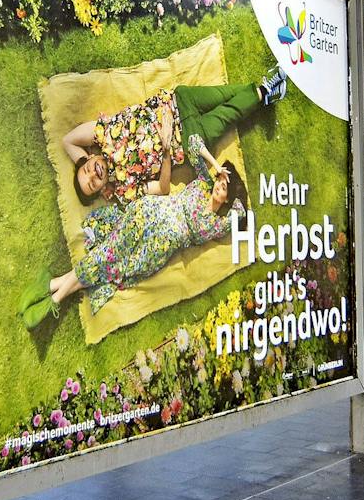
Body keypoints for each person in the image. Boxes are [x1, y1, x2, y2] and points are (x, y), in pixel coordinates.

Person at [20, 134, 246, 327]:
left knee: (111, 267)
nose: (219, 184)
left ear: (228, 199)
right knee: (107, 254)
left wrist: (235, 192)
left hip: (156, 248)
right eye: (220, 180)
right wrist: (217, 167)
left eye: (224, 187)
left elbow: (241, 212)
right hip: (145, 216)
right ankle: (55, 298)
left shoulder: (216, 224)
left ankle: (52, 285)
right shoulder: (204, 183)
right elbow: (194, 142)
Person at [65, 69, 285, 204]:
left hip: (179, 101)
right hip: (189, 139)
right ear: (102, 190)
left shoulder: (103, 134)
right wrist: (166, 149)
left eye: (86, 171)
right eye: (92, 184)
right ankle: (265, 90)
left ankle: (263, 97)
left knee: (227, 94)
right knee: (229, 113)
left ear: (88, 158)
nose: (93, 175)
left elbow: (67, 141)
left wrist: (83, 163)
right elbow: (163, 189)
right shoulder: (125, 189)